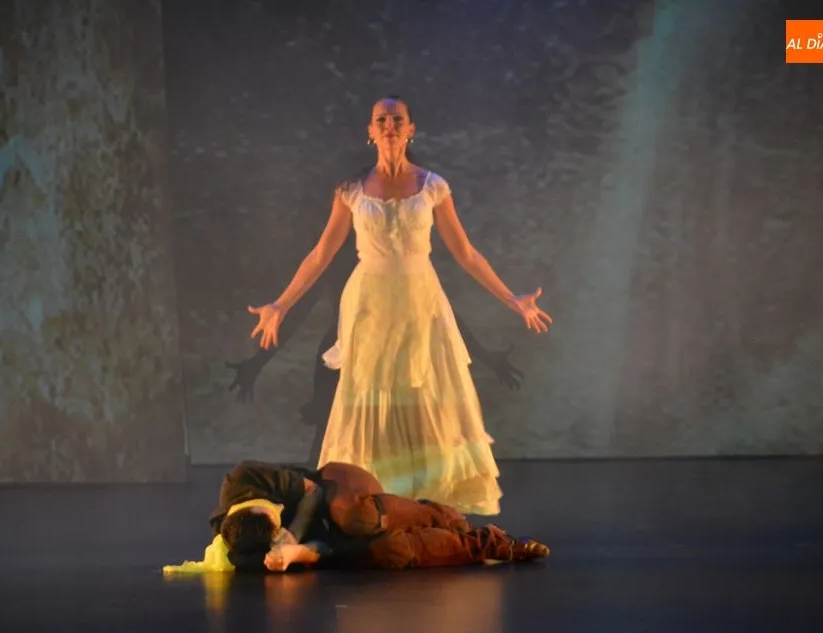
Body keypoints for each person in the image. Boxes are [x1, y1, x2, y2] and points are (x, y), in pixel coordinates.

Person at [246, 96, 553, 516]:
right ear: (370, 132)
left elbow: (466, 254)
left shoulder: (433, 187)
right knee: (371, 395)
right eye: (381, 120)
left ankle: (427, 499)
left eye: (397, 119)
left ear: (410, 129)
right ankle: (369, 498)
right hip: (370, 303)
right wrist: (281, 305)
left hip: (419, 300)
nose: (389, 126)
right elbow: (320, 254)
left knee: (424, 390)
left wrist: (513, 299)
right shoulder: (351, 191)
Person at [161, 459, 550, 575]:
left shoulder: (244, 478)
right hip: (330, 535)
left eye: (273, 509)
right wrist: (296, 553)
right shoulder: (244, 549)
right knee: (390, 553)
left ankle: (439, 514)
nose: (278, 508)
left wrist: (292, 533)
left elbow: (312, 493)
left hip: (335, 486)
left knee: (355, 518)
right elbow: (324, 553)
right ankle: (491, 544)